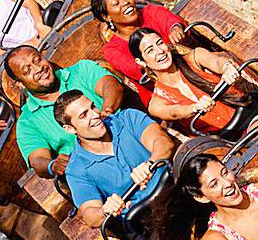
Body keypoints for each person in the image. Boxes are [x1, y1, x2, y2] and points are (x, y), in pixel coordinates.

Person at [92, 0, 231, 106]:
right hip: (169, 97)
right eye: (116, 3)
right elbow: (135, 69)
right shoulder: (112, 50)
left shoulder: (150, 12)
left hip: (196, 71)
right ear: (106, 16)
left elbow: (171, 21)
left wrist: (176, 29)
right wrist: (169, 51)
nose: (125, 3)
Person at [57, 91, 176, 231]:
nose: (95, 115)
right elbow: (90, 216)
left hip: (174, 185)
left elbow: (163, 143)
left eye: (93, 107)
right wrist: (105, 210)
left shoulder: (127, 118)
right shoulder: (76, 170)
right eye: (84, 115)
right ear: (70, 129)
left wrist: (150, 163)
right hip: (147, 219)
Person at [4, 45, 126, 177]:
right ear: (20, 84)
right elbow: (37, 159)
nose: (38, 68)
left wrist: (107, 111)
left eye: (38, 60)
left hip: (123, 136)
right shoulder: (27, 122)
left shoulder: (82, 70)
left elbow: (111, 85)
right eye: (28, 71)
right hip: (95, 171)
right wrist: (52, 165)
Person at [128, 27, 258, 136]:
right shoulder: (156, 103)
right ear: (141, 61)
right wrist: (194, 108)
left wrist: (227, 68)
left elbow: (216, 61)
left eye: (160, 43)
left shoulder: (194, 57)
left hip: (247, 116)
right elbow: (174, 112)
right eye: (150, 50)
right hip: (223, 140)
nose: (159, 51)